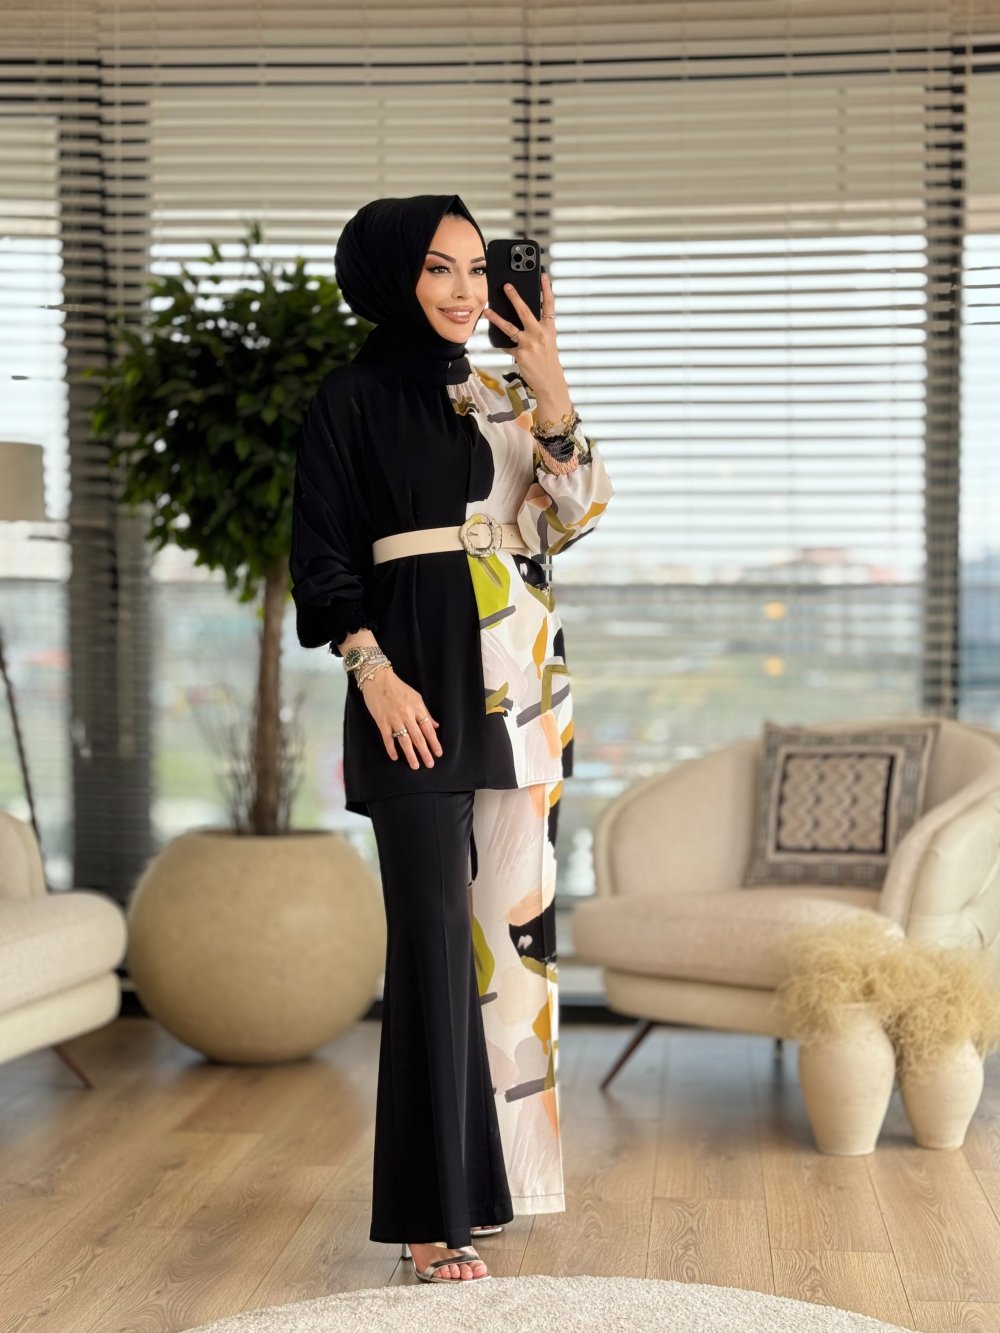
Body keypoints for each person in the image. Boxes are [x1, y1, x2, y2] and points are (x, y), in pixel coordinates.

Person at [288, 194, 614, 1284]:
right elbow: (322, 555)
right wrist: (371, 672)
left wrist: (552, 383)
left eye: (477, 268)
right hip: (409, 688)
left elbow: (571, 516)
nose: (466, 290)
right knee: (431, 946)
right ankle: (432, 1214)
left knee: (511, 949)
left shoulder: (507, 392)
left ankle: (497, 1186)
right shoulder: (348, 398)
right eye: (440, 267)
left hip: (521, 688)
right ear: (392, 275)